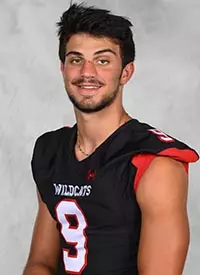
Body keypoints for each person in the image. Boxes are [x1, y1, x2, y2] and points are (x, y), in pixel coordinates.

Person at [23, 2, 199, 275]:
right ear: (63, 68)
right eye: (76, 59)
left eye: (102, 60)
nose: (87, 73)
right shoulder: (50, 150)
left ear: (125, 73)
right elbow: (41, 262)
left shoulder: (154, 164)